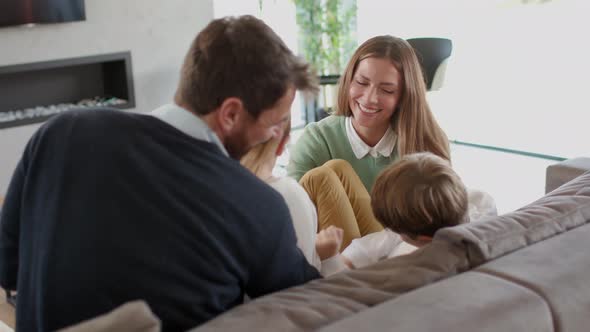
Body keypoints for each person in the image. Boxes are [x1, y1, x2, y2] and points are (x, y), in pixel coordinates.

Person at [0, 15, 320, 331]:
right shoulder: (259, 206)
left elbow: (8, 269)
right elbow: (315, 310)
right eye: (274, 123)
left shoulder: (61, 132)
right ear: (231, 114)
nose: (274, 135)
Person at [287, 35, 451, 249]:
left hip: (403, 256)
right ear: (348, 81)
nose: (369, 98)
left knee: (330, 171)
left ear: (404, 95)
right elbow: (292, 221)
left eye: (387, 90)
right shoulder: (317, 139)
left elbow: (440, 221)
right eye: (362, 82)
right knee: (329, 171)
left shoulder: (426, 141)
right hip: (335, 256)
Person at [320, 152, 496, 270]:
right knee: (334, 168)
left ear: (423, 240)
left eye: (395, 229)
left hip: (360, 268)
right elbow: (387, 238)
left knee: (321, 178)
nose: (391, 230)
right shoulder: (478, 205)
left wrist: (330, 259)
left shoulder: (407, 267)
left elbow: (345, 290)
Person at [241, 118, 346, 276]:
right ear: (283, 144)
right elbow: (304, 283)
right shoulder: (288, 194)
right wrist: (328, 257)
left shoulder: (216, 190)